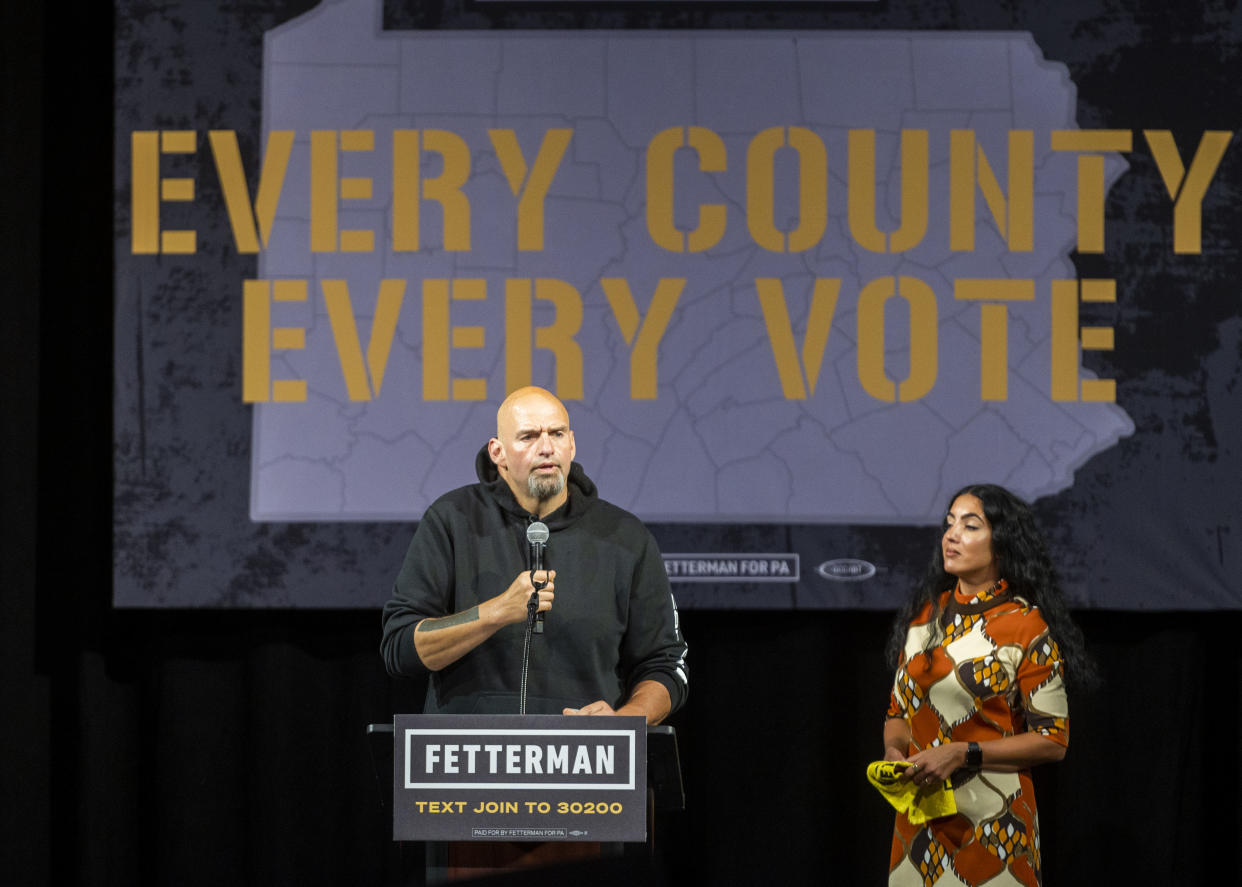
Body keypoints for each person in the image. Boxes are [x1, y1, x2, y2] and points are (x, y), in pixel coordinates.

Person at [380, 386, 688, 724]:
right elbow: (401, 648)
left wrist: (625, 721)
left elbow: (665, 664)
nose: (546, 448)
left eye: (556, 434)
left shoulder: (626, 537)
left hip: (582, 761)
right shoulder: (452, 520)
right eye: (528, 437)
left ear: (571, 443)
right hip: (472, 760)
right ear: (497, 452)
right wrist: (496, 612)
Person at [881, 483, 1095, 887]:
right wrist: (895, 754)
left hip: (994, 826)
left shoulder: (1026, 625)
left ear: (1002, 543)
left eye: (970, 525)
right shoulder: (924, 617)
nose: (951, 535)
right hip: (919, 827)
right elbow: (897, 713)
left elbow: (1053, 740)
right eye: (949, 524)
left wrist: (963, 753)